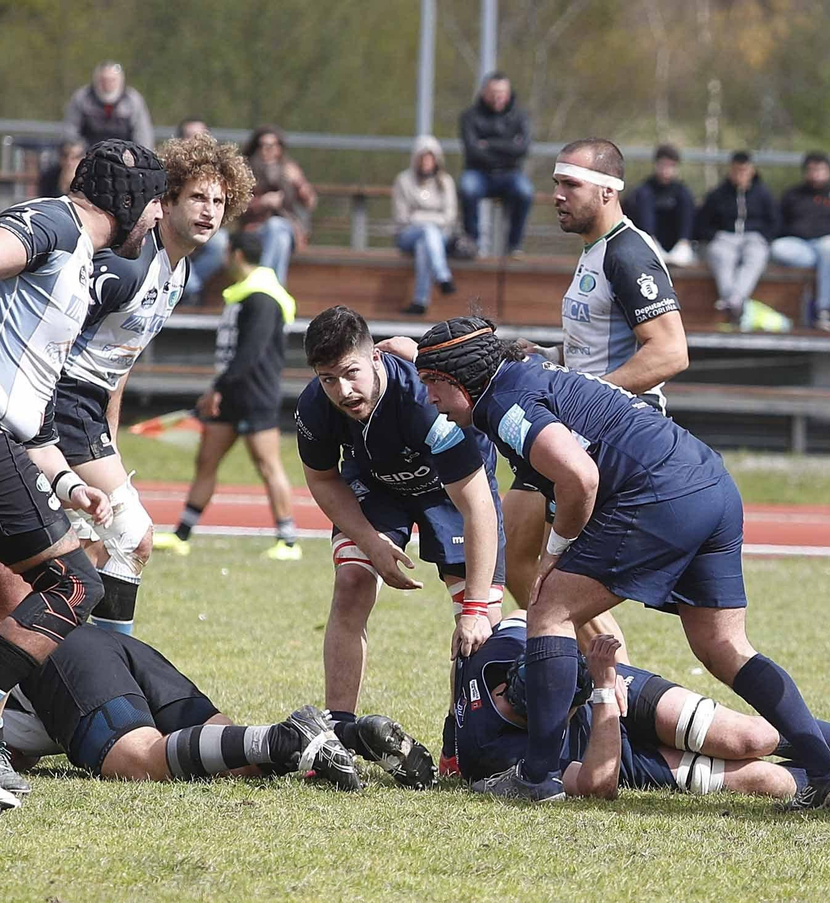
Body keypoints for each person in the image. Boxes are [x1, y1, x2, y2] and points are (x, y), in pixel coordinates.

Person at [412, 316, 830, 809]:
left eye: (432, 384)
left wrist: (554, 555)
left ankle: (536, 777)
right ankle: (825, 772)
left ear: (457, 380)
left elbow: (579, 478)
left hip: (657, 494)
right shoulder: (525, 369)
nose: (428, 397)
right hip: (710, 482)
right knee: (723, 645)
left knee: (550, 610)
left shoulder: (500, 403)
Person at [0, 139, 166, 811]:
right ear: (129, 201)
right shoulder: (55, 222)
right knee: (75, 583)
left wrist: (71, 485)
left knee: (1, 592)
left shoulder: (81, 261)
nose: (156, 217)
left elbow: (34, 413)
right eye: (155, 200)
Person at [25, 134, 254, 638]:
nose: (209, 211)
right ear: (166, 198)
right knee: (132, 538)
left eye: (218, 201)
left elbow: (122, 363)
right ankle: (113, 672)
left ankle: (69, 669)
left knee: (85, 551)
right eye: (196, 196)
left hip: (86, 412)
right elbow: (51, 333)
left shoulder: (179, 272)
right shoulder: (127, 263)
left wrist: (109, 438)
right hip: (57, 401)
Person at [294, 306, 503, 773]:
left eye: (350, 373)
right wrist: (369, 542)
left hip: (450, 489)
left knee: (479, 622)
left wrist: (472, 609)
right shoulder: (314, 406)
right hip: (378, 485)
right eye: (328, 378)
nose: (343, 391)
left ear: (375, 358)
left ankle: (460, 743)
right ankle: (338, 732)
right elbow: (324, 479)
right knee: (351, 582)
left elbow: (478, 507)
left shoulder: (425, 404)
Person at [501, 138, 689, 651]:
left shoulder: (629, 254)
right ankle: (591, 670)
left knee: (559, 577)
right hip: (571, 420)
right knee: (514, 551)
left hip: (615, 428)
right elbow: (596, 348)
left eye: (570, 185)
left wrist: (586, 392)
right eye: (556, 184)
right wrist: (545, 359)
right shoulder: (595, 252)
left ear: (607, 191)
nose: (557, 195)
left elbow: (670, 353)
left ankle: (613, 684)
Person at [452, 617, 830, 801]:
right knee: (766, 782)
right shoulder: (499, 756)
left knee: (749, 738)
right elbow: (598, 785)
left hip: (613, 687)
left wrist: (600, 666)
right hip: (603, 744)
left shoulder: (496, 652)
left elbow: (539, 609)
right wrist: (602, 694)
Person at [0, 619, 368, 790]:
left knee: (139, 759)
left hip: (54, 655)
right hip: (95, 642)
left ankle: (288, 739)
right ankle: (353, 736)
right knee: (232, 758)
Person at [155, 230, 299, 561]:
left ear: (235, 255)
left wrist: (217, 387)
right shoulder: (243, 294)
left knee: (268, 465)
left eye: (226, 253)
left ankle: (289, 541)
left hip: (256, 395)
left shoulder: (262, 297)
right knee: (206, 461)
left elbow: (250, 353)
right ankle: (182, 534)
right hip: (231, 395)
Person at [771, 151, 830, 331]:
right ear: (805, 172)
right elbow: (779, 223)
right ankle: (824, 268)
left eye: (820, 169)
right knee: (777, 248)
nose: (816, 173)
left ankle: (824, 309)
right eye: (812, 169)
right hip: (802, 246)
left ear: (828, 171)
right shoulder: (793, 195)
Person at [696, 151, 778, 324]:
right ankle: (734, 301)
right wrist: (715, 235)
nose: (741, 175)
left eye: (744, 170)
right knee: (721, 256)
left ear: (752, 171)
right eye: (736, 170)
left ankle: (734, 300)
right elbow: (703, 224)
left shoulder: (763, 194)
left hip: (754, 237)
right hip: (725, 237)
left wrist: (764, 236)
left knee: (756, 257)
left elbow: (775, 222)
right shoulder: (717, 195)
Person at [458, 72, 533, 256]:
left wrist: (488, 145)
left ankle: (514, 246)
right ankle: (472, 243)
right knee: (467, 188)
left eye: (502, 92)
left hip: (510, 174)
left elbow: (522, 149)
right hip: (479, 173)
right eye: (494, 92)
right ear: (484, 92)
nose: (498, 97)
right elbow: (473, 151)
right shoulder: (470, 116)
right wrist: (508, 148)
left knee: (525, 191)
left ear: (508, 93)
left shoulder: (520, 116)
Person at [238, 126, 315, 286]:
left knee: (277, 226)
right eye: (263, 145)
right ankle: (276, 288)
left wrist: (298, 181)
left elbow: (309, 202)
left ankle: (261, 283)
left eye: (273, 145)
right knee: (281, 239)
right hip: (255, 228)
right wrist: (262, 202)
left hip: (288, 226)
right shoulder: (246, 171)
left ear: (280, 148)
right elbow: (237, 206)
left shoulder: (289, 169)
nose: (268, 149)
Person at [393, 135, 459, 315]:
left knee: (425, 244)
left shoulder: (445, 182)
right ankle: (442, 276)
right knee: (428, 231)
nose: (426, 162)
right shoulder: (404, 180)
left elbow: (450, 216)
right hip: (407, 235)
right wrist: (430, 219)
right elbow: (402, 218)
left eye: (430, 157)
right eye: (423, 157)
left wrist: (419, 216)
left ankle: (420, 302)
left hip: (439, 236)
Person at [177, 118, 231, 304]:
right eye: (190, 136)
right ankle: (188, 288)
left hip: (200, 225)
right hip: (169, 225)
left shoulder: (220, 170)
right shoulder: (166, 166)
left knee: (220, 242)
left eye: (202, 136)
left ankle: (189, 286)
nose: (196, 141)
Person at [627, 144, 697, 268]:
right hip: (651, 241)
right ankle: (652, 245)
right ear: (656, 165)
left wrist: (684, 241)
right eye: (663, 165)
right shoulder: (644, 190)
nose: (666, 170)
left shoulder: (682, 192)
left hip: (677, 244)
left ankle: (683, 245)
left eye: (670, 166)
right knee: (644, 197)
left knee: (685, 199)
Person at [62, 61, 154, 149]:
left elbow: (143, 135)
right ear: (96, 80)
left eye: (112, 80)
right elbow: (70, 132)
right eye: (103, 80)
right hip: (88, 156)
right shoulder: (82, 98)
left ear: (121, 81)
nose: (107, 84)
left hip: (125, 158)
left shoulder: (133, 100)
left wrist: (137, 158)